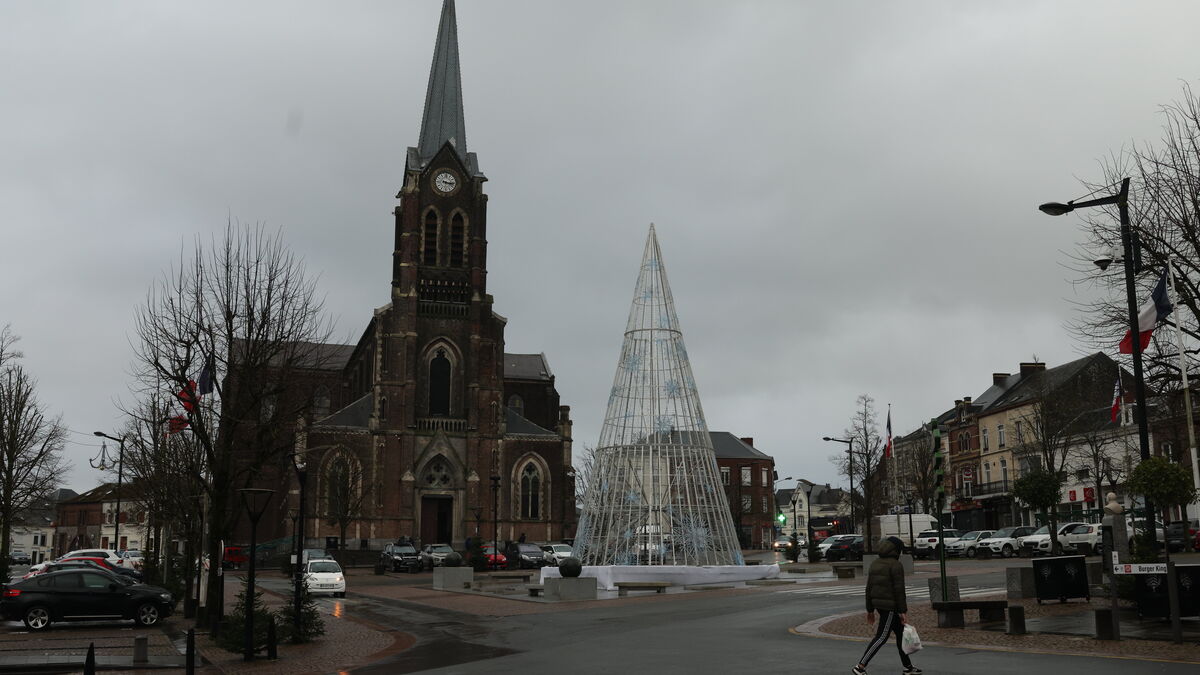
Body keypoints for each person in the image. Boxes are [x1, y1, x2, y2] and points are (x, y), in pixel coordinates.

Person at [851, 536, 920, 675]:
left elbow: (869, 588)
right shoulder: (895, 565)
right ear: (896, 550)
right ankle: (860, 666)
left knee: (900, 636)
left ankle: (908, 667)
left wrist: (870, 610)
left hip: (879, 605)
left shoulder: (875, 563)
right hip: (890, 607)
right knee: (881, 637)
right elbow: (899, 590)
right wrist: (902, 611)